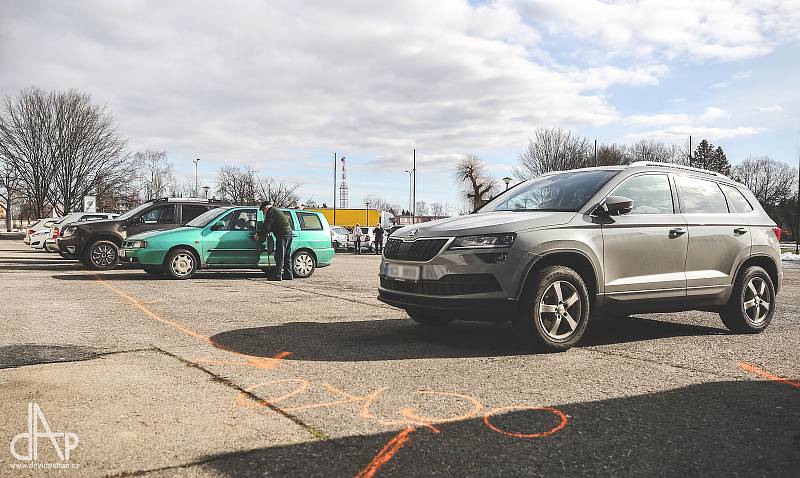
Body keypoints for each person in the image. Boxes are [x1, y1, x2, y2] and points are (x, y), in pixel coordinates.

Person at [253, 200, 293, 281]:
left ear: (266, 207)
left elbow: (267, 226)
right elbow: (273, 225)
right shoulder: (276, 210)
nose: (263, 213)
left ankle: (277, 275)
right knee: (286, 256)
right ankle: (288, 274)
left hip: (282, 235)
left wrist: (259, 235)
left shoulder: (271, 212)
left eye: (263, 210)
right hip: (289, 234)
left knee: (279, 256)